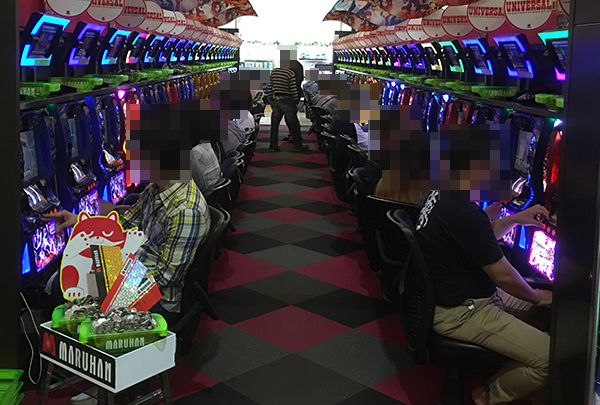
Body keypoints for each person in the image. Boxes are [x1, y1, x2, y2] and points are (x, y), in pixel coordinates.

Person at [416, 192, 552, 405]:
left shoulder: (444, 194)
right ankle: (487, 394)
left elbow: (480, 237)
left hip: (459, 296)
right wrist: (537, 297)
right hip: (461, 312)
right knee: (551, 358)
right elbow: (503, 275)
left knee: (546, 316)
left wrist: (516, 218)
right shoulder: (462, 209)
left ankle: (531, 386)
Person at [267, 47, 308, 152]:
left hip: (275, 100)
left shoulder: (274, 72)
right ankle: (298, 144)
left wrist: (271, 99)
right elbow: (293, 88)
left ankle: (273, 145)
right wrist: (295, 101)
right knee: (293, 122)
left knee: (274, 125)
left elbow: (270, 87)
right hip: (287, 100)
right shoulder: (290, 73)